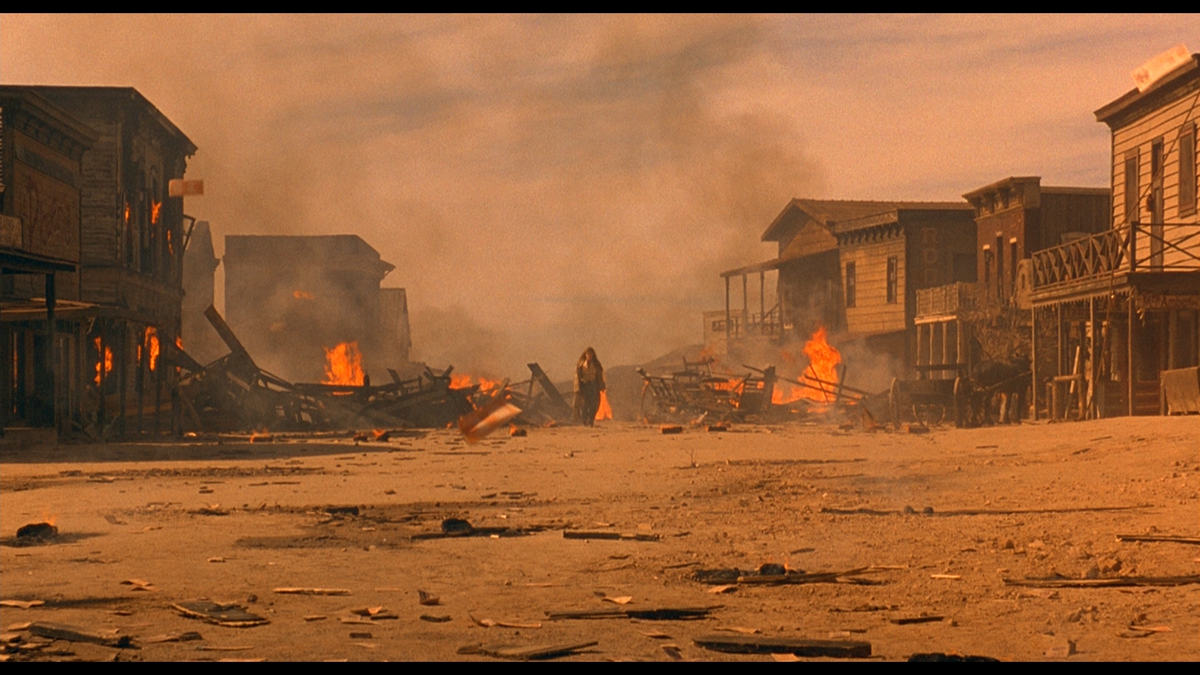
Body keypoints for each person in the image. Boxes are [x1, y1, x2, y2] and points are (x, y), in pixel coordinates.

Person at [574, 347, 606, 427]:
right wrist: (578, 388)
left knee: (594, 404)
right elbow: (577, 377)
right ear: (585, 355)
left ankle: (590, 420)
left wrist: (601, 386)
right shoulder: (581, 365)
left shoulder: (596, 364)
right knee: (585, 404)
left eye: (591, 354)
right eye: (588, 354)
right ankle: (585, 420)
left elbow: (599, 376)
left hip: (594, 385)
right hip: (585, 386)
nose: (589, 356)